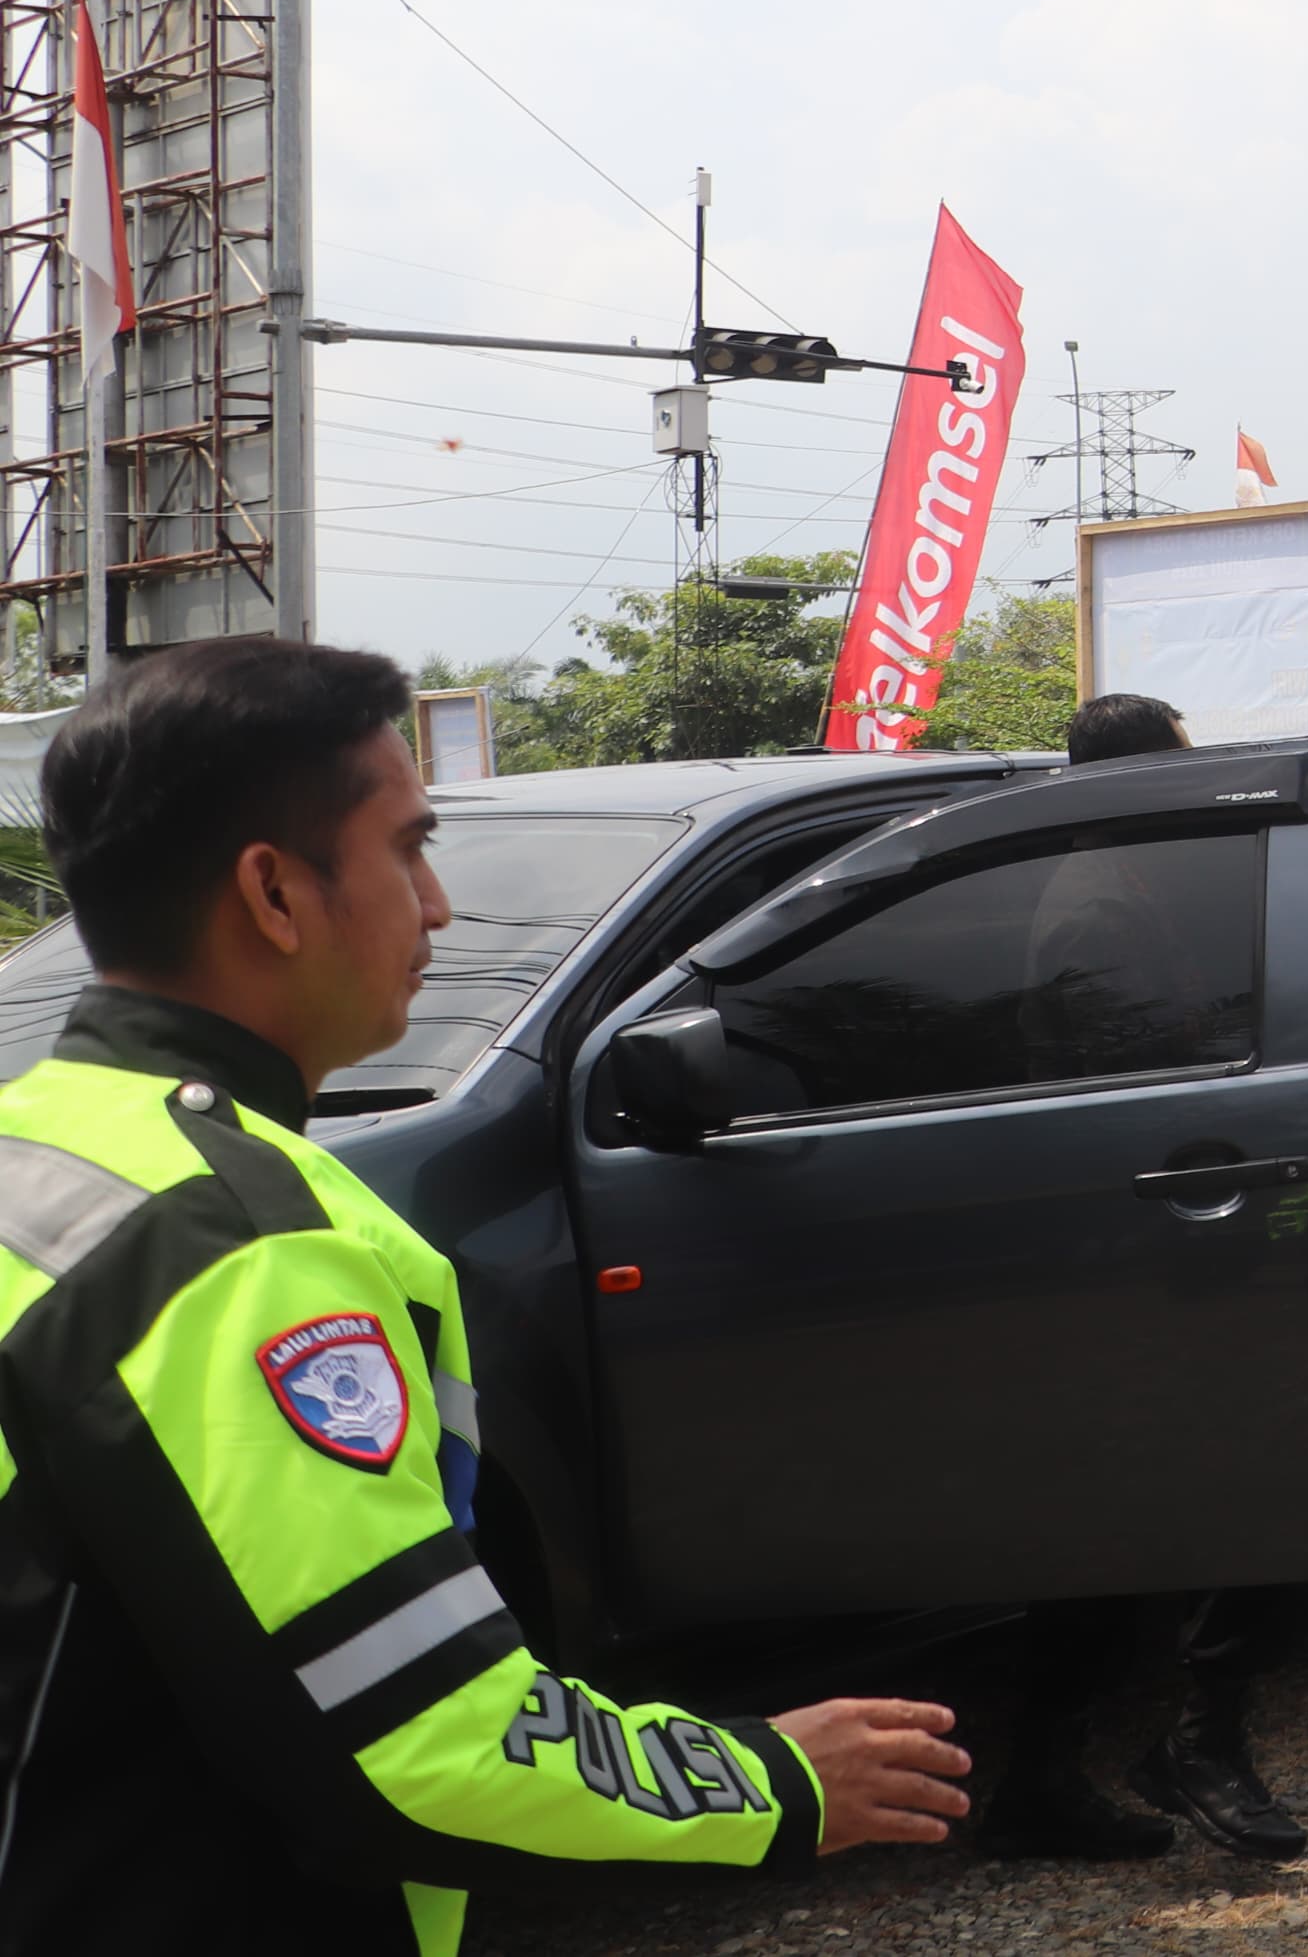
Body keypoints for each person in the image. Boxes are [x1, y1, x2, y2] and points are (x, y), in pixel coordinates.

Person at [0, 637, 969, 1947]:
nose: (440, 907)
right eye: (408, 850)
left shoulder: (39, 1139)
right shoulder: (239, 1243)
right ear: (274, 892)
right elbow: (424, 1740)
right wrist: (778, 1782)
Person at [980, 691, 1307, 1863]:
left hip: (1135, 1231)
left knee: (1116, 1512)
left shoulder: (1122, 883)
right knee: (1258, 1477)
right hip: (1136, 1238)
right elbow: (1139, 1072)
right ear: (1128, 779)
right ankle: (1195, 1741)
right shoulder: (1096, 906)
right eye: (1177, 764)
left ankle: (1048, 1776)